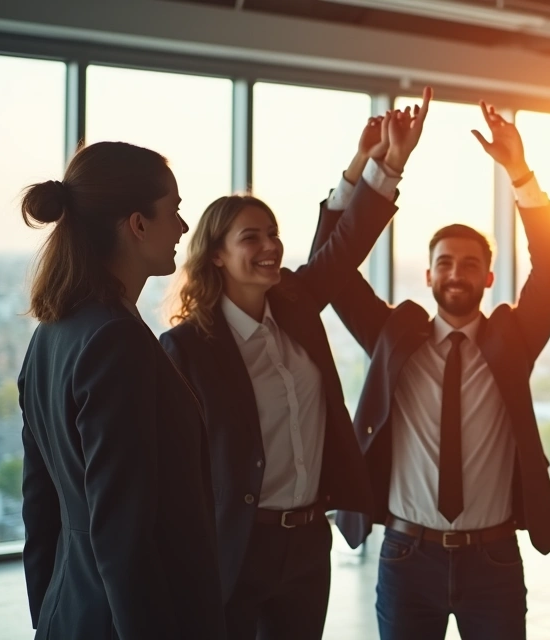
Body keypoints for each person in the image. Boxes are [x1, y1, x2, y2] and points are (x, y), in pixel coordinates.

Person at [313, 100, 550, 640]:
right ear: (428, 275)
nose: (457, 273)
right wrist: (377, 168)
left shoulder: (512, 340)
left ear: (489, 277)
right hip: (408, 555)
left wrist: (520, 175)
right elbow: (328, 269)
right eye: (446, 263)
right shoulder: (393, 337)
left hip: (494, 558)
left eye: (470, 263)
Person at [159, 103, 415, 638]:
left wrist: (380, 165)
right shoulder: (186, 348)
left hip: (306, 543)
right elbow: (174, 469)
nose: (270, 246)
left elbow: (345, 248)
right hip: (236, 543)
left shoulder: (296, 304)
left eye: (272, 233)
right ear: (216, 257)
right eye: (250, 237)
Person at [17, 141, 226, 639]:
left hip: (73, 611)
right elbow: (123, 533)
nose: (182, 227)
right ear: (137, 224)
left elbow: (39, 507)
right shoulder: (116, 340)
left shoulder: (53, 332)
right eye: (174, 210)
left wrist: (51, 615)